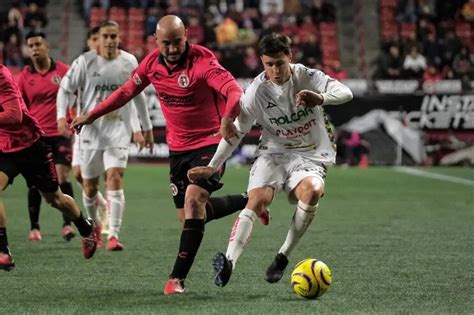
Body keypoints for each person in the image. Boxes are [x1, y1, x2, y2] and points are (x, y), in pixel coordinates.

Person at [71, 15, 268, 295]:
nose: (173, 48)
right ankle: (250, 201)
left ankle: (176, 280)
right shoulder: (152, 63)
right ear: (156, 41)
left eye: (178, 41)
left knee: (194, 201)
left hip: (210, 144)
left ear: (187, 35)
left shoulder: (203, 61)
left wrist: (227, 118)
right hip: (178, 150)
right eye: (166, 43)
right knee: (189, 216)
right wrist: (91, 116)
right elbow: (127, 91)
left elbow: (233, 90)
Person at [187, 33, 353, 287]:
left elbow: (346, 92)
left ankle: (283, 256)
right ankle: (229, 261)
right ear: (262, 62)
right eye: (269, 64)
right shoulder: (256, 90)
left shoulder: (306, 76)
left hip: (309, 153)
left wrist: (321, 98)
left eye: (279, 63)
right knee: (257, 199)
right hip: (273, 152)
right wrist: (213, 166)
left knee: (313, 191)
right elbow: (237, 132)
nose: (275, 70)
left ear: (290, 58)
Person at [57, 20, 153, 251]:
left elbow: (137, 96)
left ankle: (114, 235)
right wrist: (62, 116)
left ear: (119, 37)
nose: (110, 40)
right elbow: (65, 89)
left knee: (115, 177)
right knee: (88, 186)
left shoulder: (129, 62)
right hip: (90, 132)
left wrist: (143, 128)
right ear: (98, 39)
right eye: (105, 37)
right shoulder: (85, 62)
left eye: (113, 36)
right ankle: (95, 228)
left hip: (118, 130)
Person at [0, 65, 97, 271]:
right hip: (3, 148)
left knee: (55, 199)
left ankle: (85, 226)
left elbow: (14, 116)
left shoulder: (2, 75)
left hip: (30, 146)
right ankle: (3, 251)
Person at [16, 31, 76, 242]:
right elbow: (20, 108)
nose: (34, 49)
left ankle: (68, 224)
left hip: (60, 134)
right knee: (35, 183)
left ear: (47, 45)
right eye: (30, 45)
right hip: (36, 137)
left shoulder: (64, 71)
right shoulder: (24, 77)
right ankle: (34, 227)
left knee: (62, 177)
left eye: (38, 44)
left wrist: (73, 119)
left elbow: (78, 95)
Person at [71, 26, 109, 234]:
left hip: (105, 129)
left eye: (100, 38)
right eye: (93, 39)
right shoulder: (82, 65)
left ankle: (103, 219)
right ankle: (103, 205)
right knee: (78, 174)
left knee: (97, 177)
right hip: (83, 128)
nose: (97, 43)